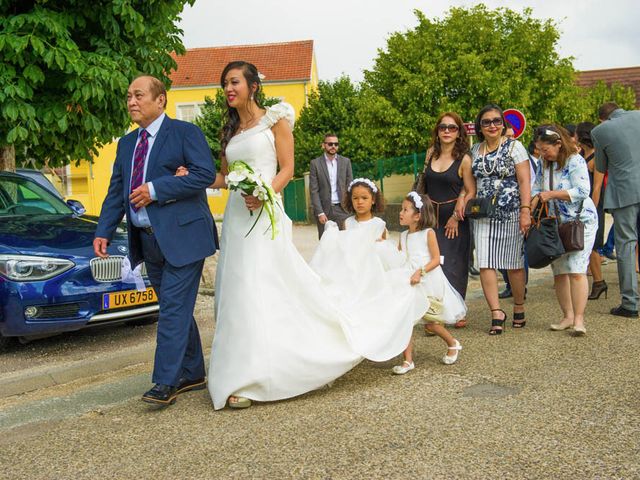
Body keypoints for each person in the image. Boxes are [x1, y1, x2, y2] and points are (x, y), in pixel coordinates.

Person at [206, 61, 428, 410]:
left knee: (259, 284)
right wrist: (191, 176)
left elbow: (288, 168)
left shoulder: (276, 119)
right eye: (224, 84)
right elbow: (223, 177)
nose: (228, 89)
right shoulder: (231, 131)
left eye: (234, 82)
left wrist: (265, 193)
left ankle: (260, 373)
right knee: (235, 288)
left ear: (253, 85)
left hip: (264, 214)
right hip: (237, 217)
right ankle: (237, 371)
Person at [93, 75, 218, 407]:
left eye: (139, 95)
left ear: (160, 100)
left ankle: (165, 381)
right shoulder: (126, 144)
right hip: (148, 241)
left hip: (185, 237)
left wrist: (156, 188)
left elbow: (205, 174)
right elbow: (116, 192)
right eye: (128, 96)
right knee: (175, 309)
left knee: (173, 311)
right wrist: (103, 230)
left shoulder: (184, 133)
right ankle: (192, 372)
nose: (132, 101)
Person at [470, 104, 531, 335]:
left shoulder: (516, 147)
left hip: (512, 212)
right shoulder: (475, 150)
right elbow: (470, 182)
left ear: (503, 124)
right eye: (486, 122)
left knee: (514, 264)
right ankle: (496, 312)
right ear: (480, 127)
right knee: (485, 262)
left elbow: (525, 181)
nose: (492, 125)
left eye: (497, 121)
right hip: (483, 214)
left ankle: (518, 305)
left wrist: (525, 210)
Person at [532, 126, 598, 335]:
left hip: (580, 222)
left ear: (558, 144)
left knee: (577, 270)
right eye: (540, 150)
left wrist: (551, 194)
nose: (543, 154)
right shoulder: (545, 164)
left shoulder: (575, 161)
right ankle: (567, 316)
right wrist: (528, 212)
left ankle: (579, 319)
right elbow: (536, 189)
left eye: (545, 149)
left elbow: (582, 191)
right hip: (555, 223)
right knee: (560, 271)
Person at [392, 192, 466, 374]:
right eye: (401, 209)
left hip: (428, 281)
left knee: (431, 323)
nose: (400, 213)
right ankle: (408, 361)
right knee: (406, 321)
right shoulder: (402, 236)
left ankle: (452, 343)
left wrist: (420, 271)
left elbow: (435, 259)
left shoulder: (428, 233)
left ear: (418, 216)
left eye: (405, 210)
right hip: (409, 283)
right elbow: (398, 258)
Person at [414, 112, 475, 328]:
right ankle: (435, 314)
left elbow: (470, 191)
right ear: (437, 131)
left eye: (452, 128)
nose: (447, 131)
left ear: (459, 132)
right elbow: (424, 184)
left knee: (454, 265)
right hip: (431, 217)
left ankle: (458, 312)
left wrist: (456, 217)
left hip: (454, 219)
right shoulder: (431, 153)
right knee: (433, 264)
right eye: (443, 127)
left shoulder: (464, 159)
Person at [592, 102, 640, 318]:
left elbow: (601, 166)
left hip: (624, 192)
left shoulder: (600, 131)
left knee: (626, 245)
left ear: (603, 118)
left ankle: (630, 304)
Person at [577, 122, 608, 300]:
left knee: (594, 245)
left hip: (594, 205)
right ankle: (597, 282)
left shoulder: (597, 157)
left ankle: (599, 281)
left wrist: (593, 210)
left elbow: (597, 187)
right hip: (581, 204)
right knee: (586, 245)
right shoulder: (581, 154)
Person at [309, 133, 353, 238]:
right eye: (330, 144)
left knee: (345, 241)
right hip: (325, 211)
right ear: (323, 145)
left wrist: (351, 207)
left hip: (343, 210)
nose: (333, 146)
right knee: (326, 243)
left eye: (336, 144)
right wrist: (320, 212)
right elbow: (314, 190)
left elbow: (350, 186)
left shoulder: (346, 162)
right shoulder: (315, 164)